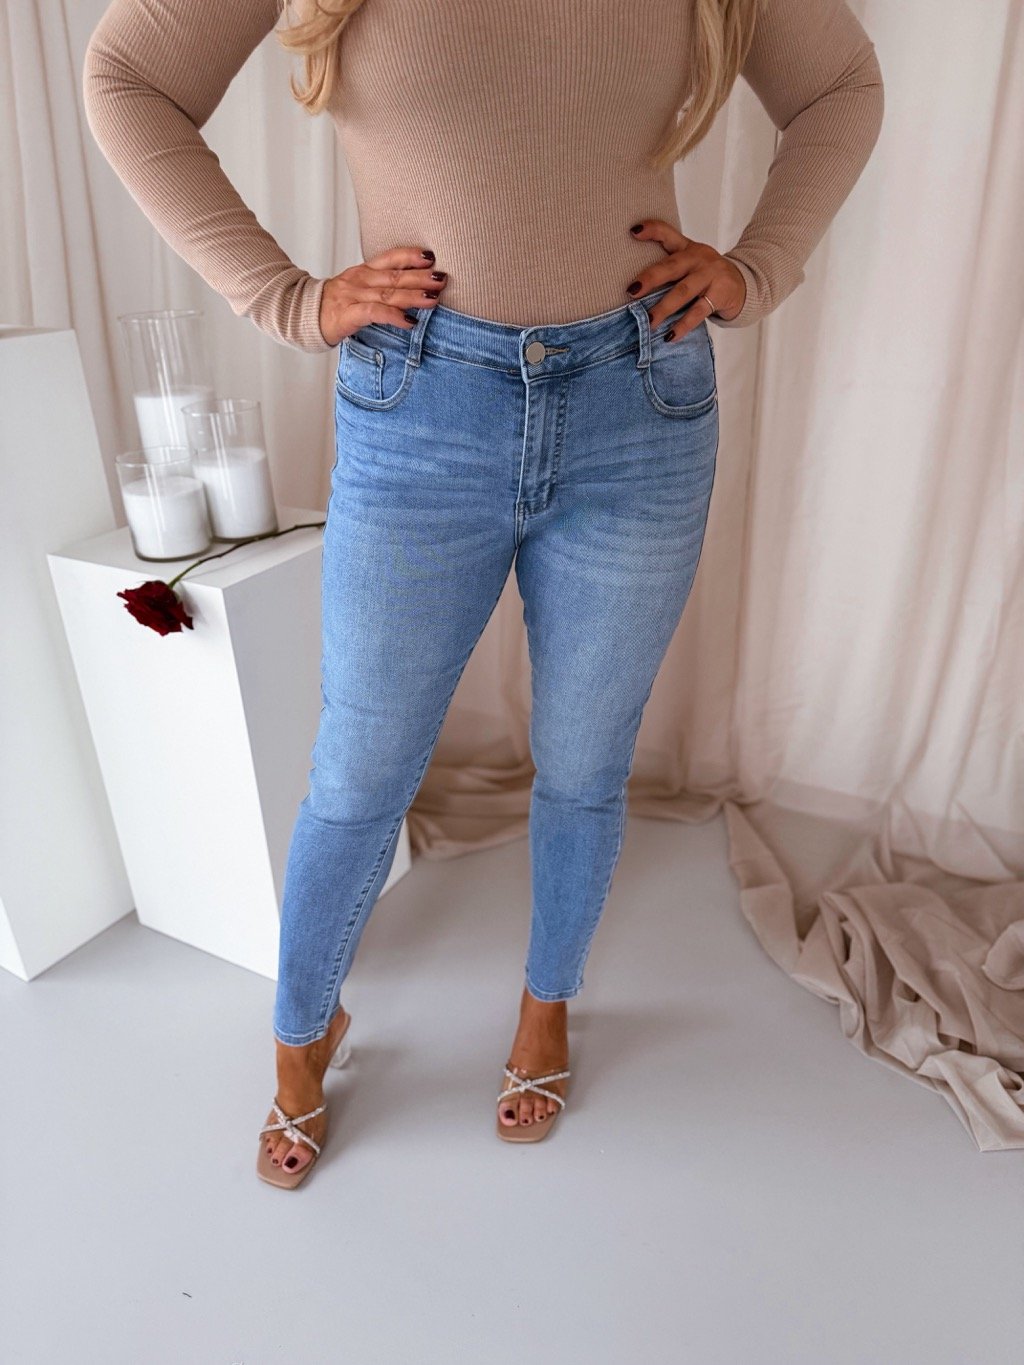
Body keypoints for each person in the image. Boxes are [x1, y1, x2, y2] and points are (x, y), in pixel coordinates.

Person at [82, 0, 884, 1186]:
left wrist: (756, 268)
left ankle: (545, 1009)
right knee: (361, 770)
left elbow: (839, 88)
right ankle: (302, 1035)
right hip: (422, 410)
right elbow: (127, 74)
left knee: (585, 758)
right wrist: (284, 295)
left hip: (638, 403)